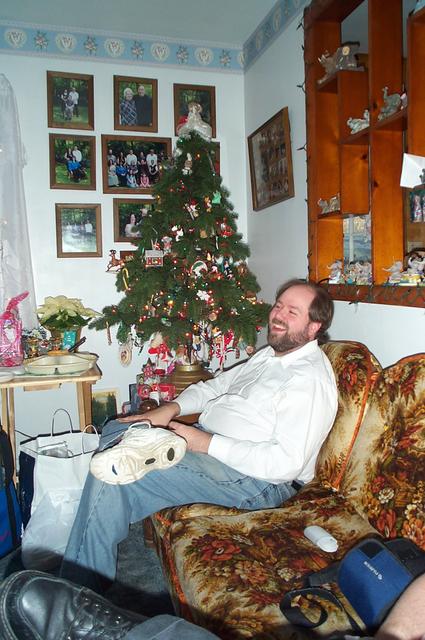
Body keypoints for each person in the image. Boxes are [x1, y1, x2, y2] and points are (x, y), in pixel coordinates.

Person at [61, 279, 338, 591]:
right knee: (118, 428)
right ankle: (93, 539)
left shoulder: (307, 381)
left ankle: (74, 594)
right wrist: (170, 409)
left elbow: (285, 464)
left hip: (254, 482)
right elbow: (215, 387)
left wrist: (206, 444)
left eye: (292, 312)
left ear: (314, 327)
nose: (278, 315)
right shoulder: (271, 356)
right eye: (278, 306)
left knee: (111, 471)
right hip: (211, 446)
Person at [2, 570, 425, 640]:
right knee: (119, 445)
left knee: (115, 482)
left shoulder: (307, 377)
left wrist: (200, 442)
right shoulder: (263, 364)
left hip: (248, 475)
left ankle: (125, 632)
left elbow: (283, 463)